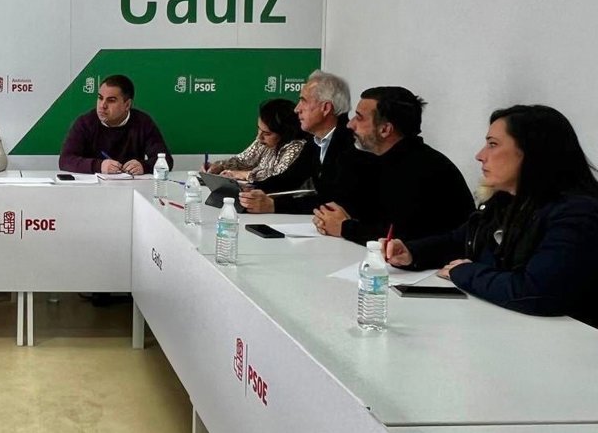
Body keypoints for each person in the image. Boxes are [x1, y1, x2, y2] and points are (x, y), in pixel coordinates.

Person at [386, 105, 598, 327]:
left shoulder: (577, 212)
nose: (480, 156)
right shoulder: (504, 200)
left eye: (493, 144)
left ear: (532, 152)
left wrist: (465, 272)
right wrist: (412, 253)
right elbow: (459, 241)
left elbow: (537, 292)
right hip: (507, 325)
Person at [314, 86, 473, 243]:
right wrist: (329, 218)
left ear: (385, 130)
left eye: (359, 118)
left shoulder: (424, 169)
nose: (350, 124)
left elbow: (401, 237)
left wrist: (345, 227)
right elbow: (362, 212)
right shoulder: (377, 160)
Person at [239, 70, 376, 214]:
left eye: (303, 101)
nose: (297, 109)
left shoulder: (353, 144)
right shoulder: (315, 140)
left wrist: (274, 205)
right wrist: (250, 188)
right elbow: (291, 178)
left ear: (325, 108)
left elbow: (334, 200)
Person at [59, 74, 172, 174]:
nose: (102, 105)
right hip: (94, 187)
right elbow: (65, 160)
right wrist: (99, 166)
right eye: (100, 98)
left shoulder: (143, 122)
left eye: (111, 100)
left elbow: (166, 160)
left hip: (132, 186)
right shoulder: (85, 123)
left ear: (127, 105)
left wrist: (144, 166)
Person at [206, 98, 314, 193]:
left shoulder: (297, 147)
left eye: (267, 133)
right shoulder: (263, 141)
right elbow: (241, 161)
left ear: (285, 134)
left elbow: (277, 178)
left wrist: (242, 174)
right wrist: (219, 166)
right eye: (259, 129)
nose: (259, 137)